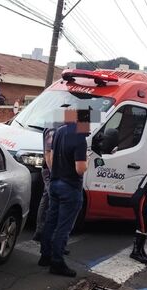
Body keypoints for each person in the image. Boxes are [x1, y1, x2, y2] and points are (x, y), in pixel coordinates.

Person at [38, 108, 90, 277]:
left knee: (51, 221)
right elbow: (80, 169)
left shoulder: (59, 132)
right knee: (63, 227)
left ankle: (45, 255)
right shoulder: (80, 139)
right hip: (70, 187)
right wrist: (87, 160)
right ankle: (57, 262)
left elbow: (52, 157)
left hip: (55, 182)